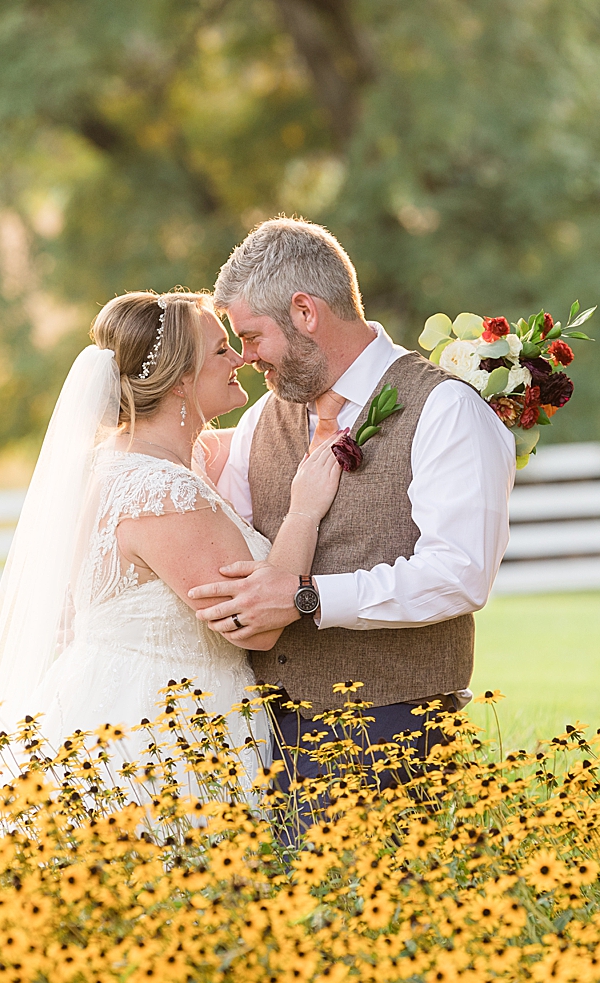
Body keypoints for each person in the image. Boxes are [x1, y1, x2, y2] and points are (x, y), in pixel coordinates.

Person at [0, 291, 342, 810]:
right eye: (221, 351)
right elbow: (256, 624)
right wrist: (304, 510)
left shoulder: (129, 457)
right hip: (164, 735)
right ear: (182, 380)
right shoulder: (161, 492)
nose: (241, 360)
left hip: (119, 701)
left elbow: (247, 441)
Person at [186, 217, 515, 794]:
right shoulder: (263, 418)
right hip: (268, 736)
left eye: (253, 337)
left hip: (399, 733)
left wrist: (309, 598)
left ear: (305, 312)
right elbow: (240, 555)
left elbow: (460, 574)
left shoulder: (445, 409)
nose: (246, 358)